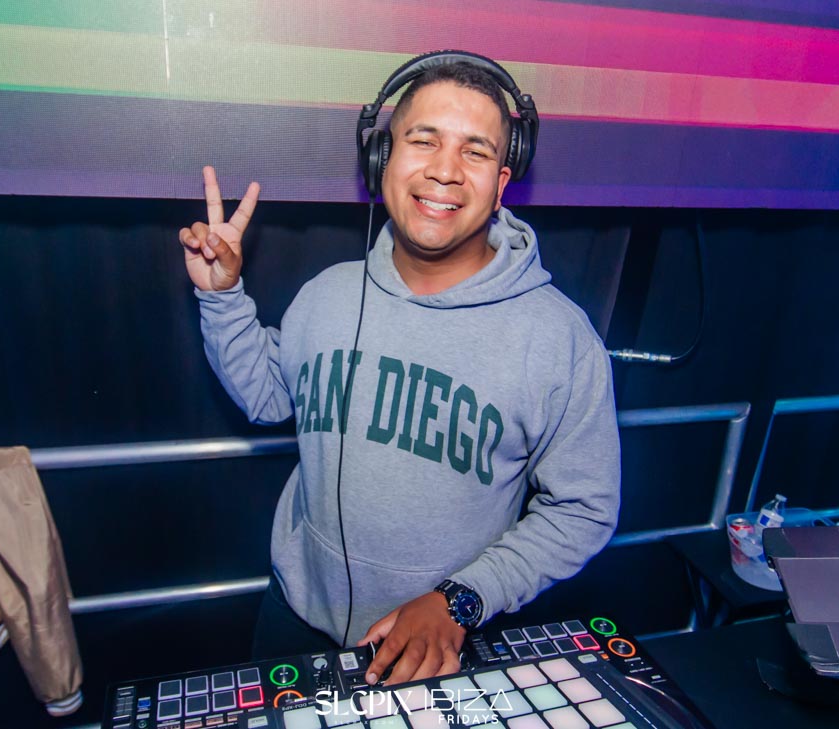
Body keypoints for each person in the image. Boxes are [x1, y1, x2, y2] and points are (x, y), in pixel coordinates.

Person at [177, 55, 620, 686]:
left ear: (502, 181)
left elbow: (584, 509)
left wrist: (462, 599)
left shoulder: (560, 338)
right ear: (381, 159)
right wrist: (221, 297)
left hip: (441, 647)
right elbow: (268, 396)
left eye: (475, 151)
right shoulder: (328, 294)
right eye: (423, 140)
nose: (444, 169)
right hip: (293, 618)